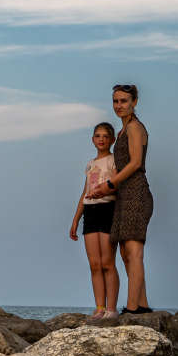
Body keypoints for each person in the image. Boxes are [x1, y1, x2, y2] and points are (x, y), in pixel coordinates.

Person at [103, 84, 154, 314]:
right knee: (125, 253)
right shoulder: (122, 131)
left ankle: (132, 309)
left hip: (136, 192)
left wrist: (110, 183)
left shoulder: (134, 127)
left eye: (124, 101)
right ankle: (141, 304)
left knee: (134, 252)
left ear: (134, 102)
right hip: (123, 194)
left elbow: (135, 163)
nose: (119, 106)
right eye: (116, 101)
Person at [69, 122, 120, 318]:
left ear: (112, 140)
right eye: (98, 136)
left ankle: (111, 309)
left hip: (107, 209)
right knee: (94, 264)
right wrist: (75, 220)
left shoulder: (114, 160)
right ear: (92, 139)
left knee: (108, 262)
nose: (101, 139)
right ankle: (99, 308)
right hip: (89, 213)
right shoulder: (90, 164)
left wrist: (104, 190)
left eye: (105, 136)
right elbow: (85, 192)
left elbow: (117, 184)